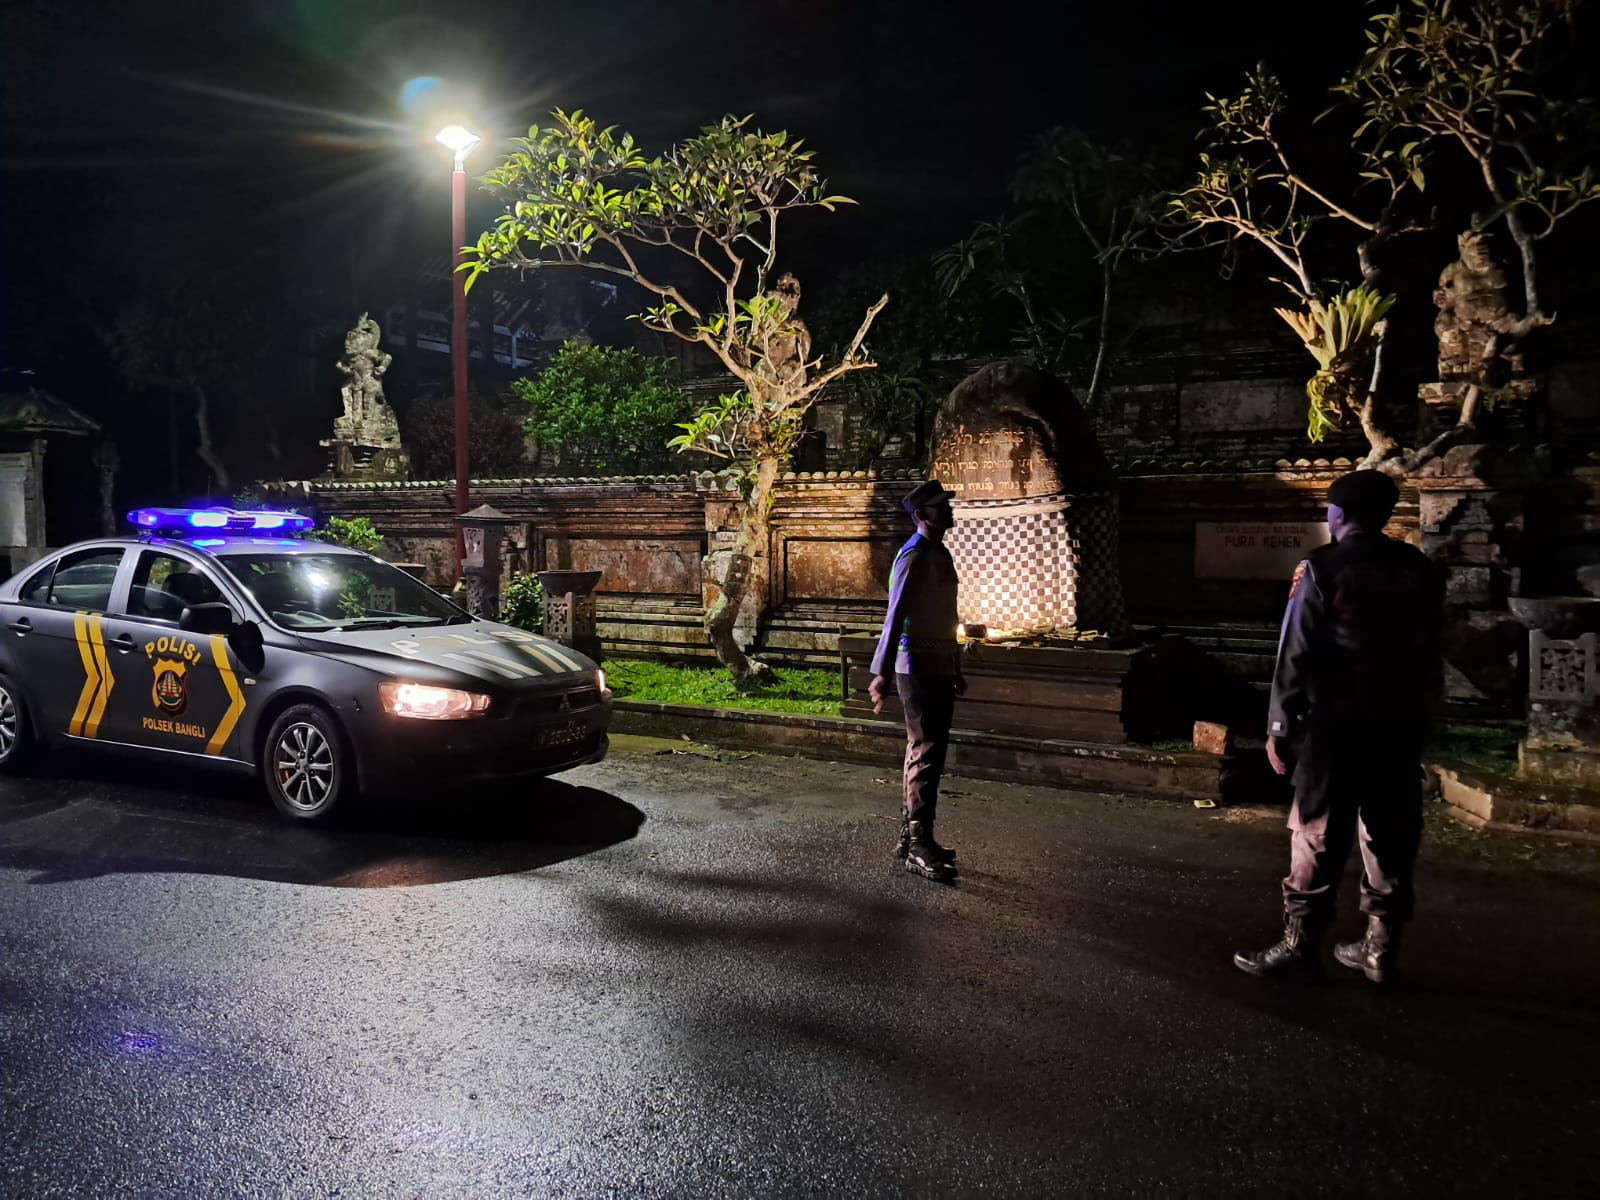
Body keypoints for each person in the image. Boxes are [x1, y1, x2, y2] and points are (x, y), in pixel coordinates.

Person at [1234, 469, 1443, 984]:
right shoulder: (1416, 567)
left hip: (1336, 725)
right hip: (1399, 723)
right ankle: (1380, 948)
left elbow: (1296, 650)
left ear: (1338, 514)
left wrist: (1279, 725)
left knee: (1316, 832)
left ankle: (1299, 945)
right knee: (1390, 832)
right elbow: (1431, 650)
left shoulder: (1322, 567)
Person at [868, 479, 966, 883]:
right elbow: (895, 615)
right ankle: (917, 845)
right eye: (941, 506)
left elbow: (947, 617)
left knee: (930, 751)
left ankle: (914, 837)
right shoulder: (914, 554)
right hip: (917, 666)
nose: (949, 510)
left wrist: (955, 666)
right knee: (924, 751)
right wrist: (881, 671)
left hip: (937, 664)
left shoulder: (937, 552)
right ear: (923, 514)